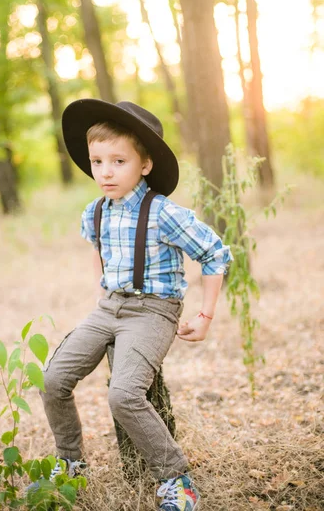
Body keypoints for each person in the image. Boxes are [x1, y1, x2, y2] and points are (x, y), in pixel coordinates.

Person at [40, 99, 232, 511]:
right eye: (97, 161)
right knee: (54, 378)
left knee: (124, 394)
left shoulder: (164, 213)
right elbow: (98, 249)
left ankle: (175, 478)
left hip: (153, 311)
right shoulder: (95, 212)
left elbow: (215, 254)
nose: (105, 172)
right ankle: (71, 462)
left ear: (144, 165)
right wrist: (101, 292)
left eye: (118, 161)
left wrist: (205, 314)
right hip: (109, 308)